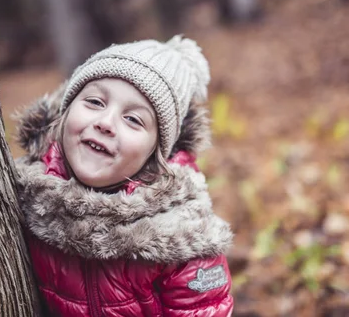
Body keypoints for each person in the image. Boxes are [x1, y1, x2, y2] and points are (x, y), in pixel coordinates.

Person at [15, 35, 234, 316]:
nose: (105, 123)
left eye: (133, 119)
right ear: (65, 113)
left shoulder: (181, 237)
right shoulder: (31, 195)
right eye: (94, 102)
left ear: (156, 153)